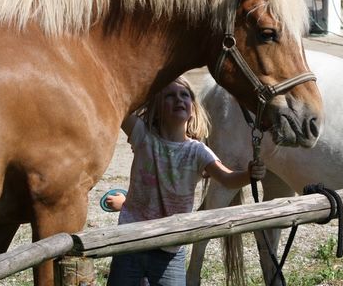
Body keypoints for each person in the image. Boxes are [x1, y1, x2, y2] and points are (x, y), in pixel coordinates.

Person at [105, 75, 266, 286]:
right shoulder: (142, 135)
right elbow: (119, 101)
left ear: (193, 108)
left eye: (185, 95)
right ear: (156, 106)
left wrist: (248, 175)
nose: (179, 99)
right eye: (170, 95)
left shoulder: (197, 152)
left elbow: (227, 179)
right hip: (130, 242)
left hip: (170, 247)